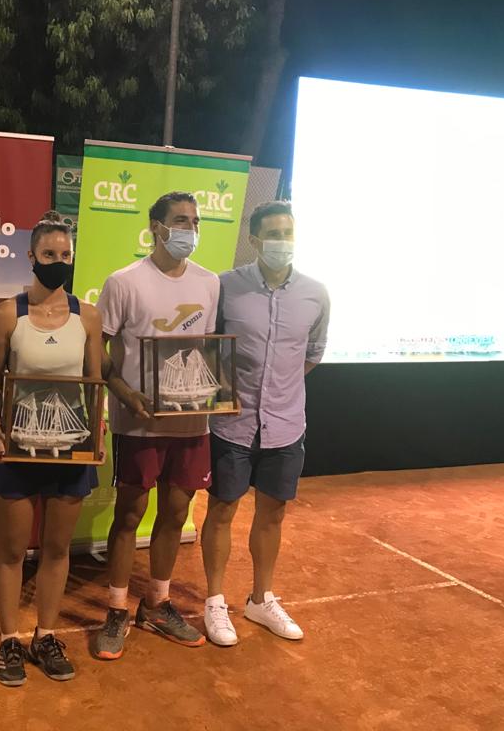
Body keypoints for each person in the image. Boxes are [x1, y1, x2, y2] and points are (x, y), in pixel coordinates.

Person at [91, 192, 220, 659]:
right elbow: (98, 349)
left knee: (176, 513)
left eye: (195, 221)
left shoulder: (209, 283)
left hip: (191, 422)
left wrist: (219, 393)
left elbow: (210, 351)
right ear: (156, 227)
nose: (190, 229)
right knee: (129, 514)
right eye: (180, 220)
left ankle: (157, 603)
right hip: (138, 422)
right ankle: (116, 609)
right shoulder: (124, 282)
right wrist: (125, 394)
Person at [200, 200, 329, 645]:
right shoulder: (225, 287)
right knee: (222, 511)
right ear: (254, 239)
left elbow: (312, 355)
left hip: (286, 424)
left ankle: (260, 599)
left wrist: (278, 391)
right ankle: (215, 601)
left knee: (273, 514)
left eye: (287, 233)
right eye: (273, 234)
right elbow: (207, 347)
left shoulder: (316, 294)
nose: (282, 242)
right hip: (231, 425)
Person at [0, 214, 103, 687]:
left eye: (65, 255)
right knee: (12, 550)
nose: (58, 261)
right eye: (49, 254)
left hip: (70, 450)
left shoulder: (87, 316)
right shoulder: (6, 314)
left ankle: (46, 635)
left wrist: (97, 433)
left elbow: (93, 383)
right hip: (17, 449)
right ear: (31, 257)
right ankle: (8, 639)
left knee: (56, 549)